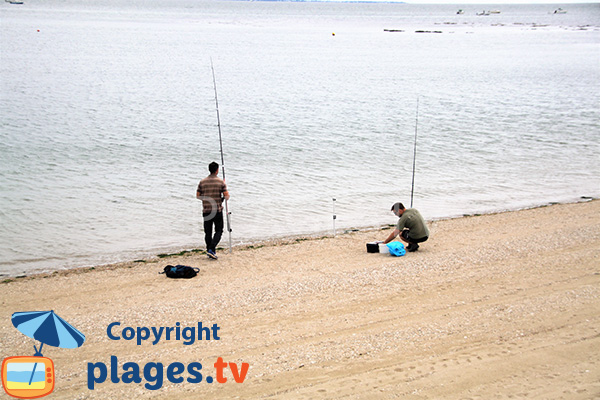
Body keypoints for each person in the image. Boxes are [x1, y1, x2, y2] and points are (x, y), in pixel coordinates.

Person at [196, 162, 230, 259]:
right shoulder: (220, 182)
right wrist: (223, 198)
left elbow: (198, 196)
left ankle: (210, 250)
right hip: (217, 210)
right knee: (219, 231)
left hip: (206, 210)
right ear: (217, 170)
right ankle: (211, 249)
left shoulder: (202, 182)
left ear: (209, 169)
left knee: (208, 232)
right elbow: (227, 196)